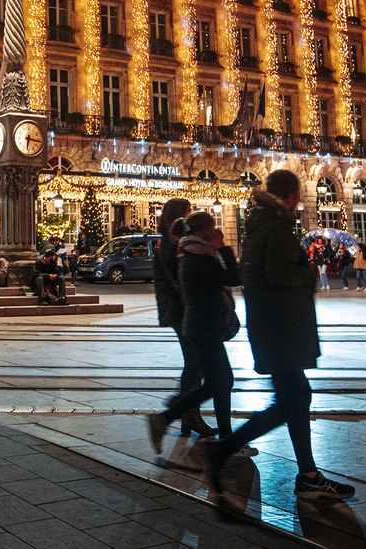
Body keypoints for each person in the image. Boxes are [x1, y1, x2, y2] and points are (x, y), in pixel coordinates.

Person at [206, 169, 354, 502]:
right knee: (293, 399)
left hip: (275, 328)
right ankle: (225, 450)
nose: (299, 203)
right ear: (289, 196)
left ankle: (308, 475)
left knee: (295, 398)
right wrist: (306, 276)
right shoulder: (275, 228)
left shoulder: (261, 224)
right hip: (282, 329)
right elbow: (282, 277)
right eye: (297, 196)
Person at [148, 213, 251, 456]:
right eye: (213, 228)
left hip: (203, 325)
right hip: (204, 326)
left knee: (220, 381)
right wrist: (223, 248)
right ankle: (169, 418)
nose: (216, 232)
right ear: (205, 231)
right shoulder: (197, 254)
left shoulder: (193, 251)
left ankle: (167, 418)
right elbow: (232, 277)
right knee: (221, 381)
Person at [151, 197, 216, 439]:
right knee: (195, 361)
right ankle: (183, 410)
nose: (189, 217)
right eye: (188, 213)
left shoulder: (169, 241)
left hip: (178, 308)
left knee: (194, 361)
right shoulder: (172, 243)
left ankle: (187, 414)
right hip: (181, 309)